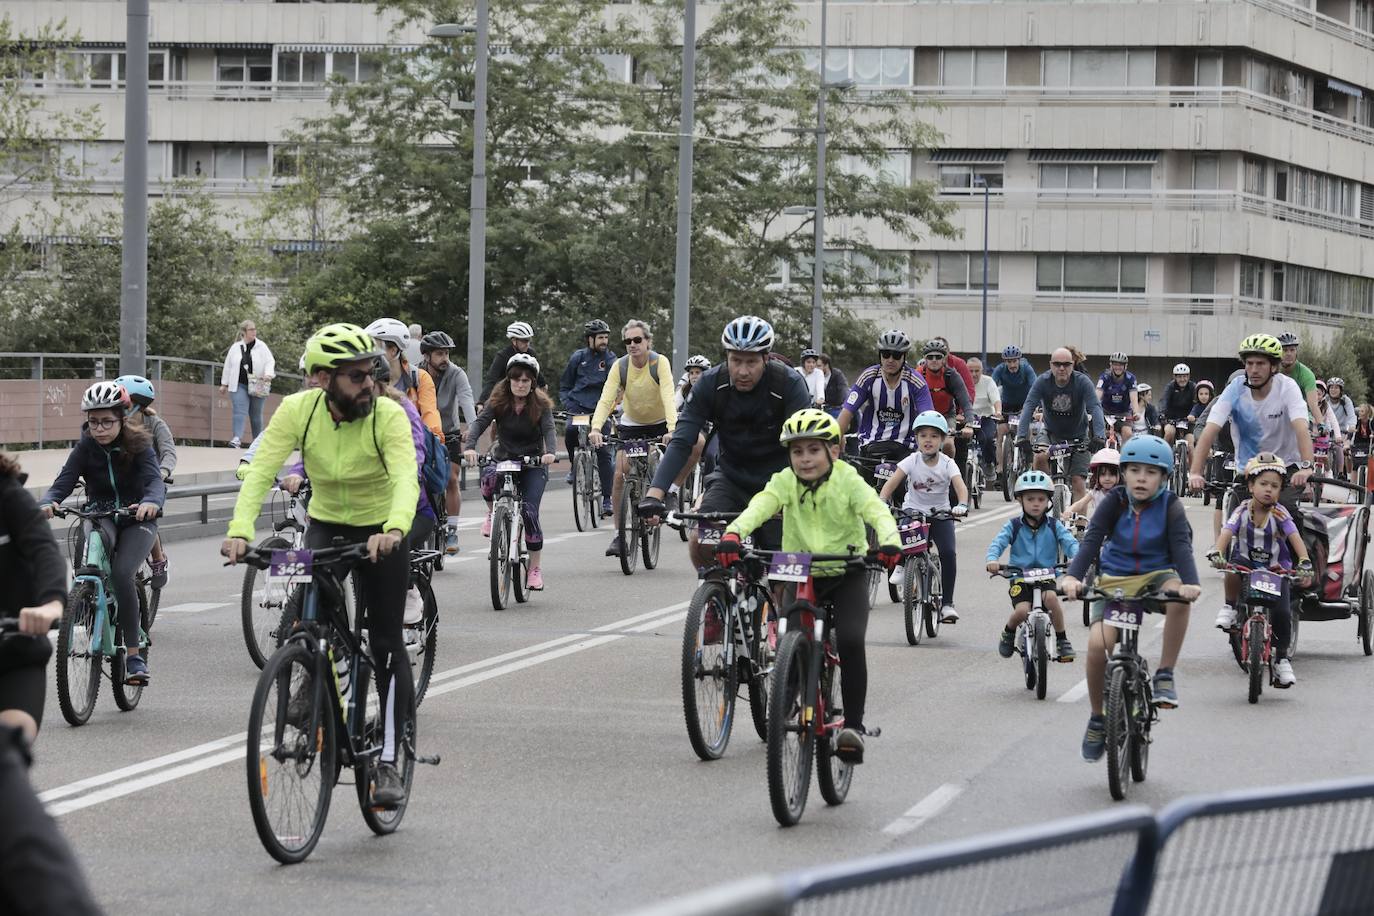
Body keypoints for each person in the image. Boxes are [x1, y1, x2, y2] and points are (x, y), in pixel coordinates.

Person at [223, 323, 419, 808]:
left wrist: (393, 530)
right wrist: (240, 531)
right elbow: (263, 468)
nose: (368, 384)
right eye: (355, 377)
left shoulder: (387, 416)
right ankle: (309, 670)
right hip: (327, 522)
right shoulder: (298, 410)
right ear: (319, 380)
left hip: (381, 530)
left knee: (387, 639)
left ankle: (391, 758)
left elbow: (405, 479)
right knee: (301, 611)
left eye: (370, 373)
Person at [718, 409, 902, 764]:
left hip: (846, 570)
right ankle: (787, 692)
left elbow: (876, 510)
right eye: (797, 451)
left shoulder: (848, 479)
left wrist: (890, 542)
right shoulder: (784, 480)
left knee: (849, 640)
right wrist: (734, 532)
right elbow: (761, 505)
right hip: (799, 571)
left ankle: (853, 726)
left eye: (813, 450)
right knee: (788, 635)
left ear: (833, 451)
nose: (804, 459)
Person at [1060, 435, 1200, 761]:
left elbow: (1181, 547)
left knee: (1179, 599)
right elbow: (1092, 539)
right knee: (1097, 646)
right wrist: (1072, 577)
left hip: (1156, 575)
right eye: (1134, 470)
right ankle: (1097, 718)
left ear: (1165, 477)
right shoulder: (1115, 501)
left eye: (1150, 472)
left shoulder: (1171, 506)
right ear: (1123, 473)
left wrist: (1189, 584)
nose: (1141, 478)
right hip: (1115, 580)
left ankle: (1165, 673)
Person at [638, 316, 811, 572]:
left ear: (766, 358)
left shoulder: (788, 384)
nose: (742, 371)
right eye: (736, 360)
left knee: (785, 570)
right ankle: (716, 598)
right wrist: (655, 494)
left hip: (781, 483)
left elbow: (806, 446)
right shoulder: (711, 383)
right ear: (726, 356)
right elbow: (682, 440)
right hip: (731, 481)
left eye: (751, 362)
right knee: (702, 543)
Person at [39, 382, 165, 686]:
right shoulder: (85, 447)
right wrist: (49, 501)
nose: (99, 429)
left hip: (137, 517)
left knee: (122, 574)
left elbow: (154, 481)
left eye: (106, 421)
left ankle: (134, 657)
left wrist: (150, 502)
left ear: (123, 417)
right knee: (87, 563)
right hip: (101, 512)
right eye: (93, 422)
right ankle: (87, 603)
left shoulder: (140, 444)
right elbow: (64, 481)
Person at [1187, 333, 1314, 563]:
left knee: (1285, 509)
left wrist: (1306, 467)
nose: (1253, 370)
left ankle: (1301, 569)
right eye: (1249, 363)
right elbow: (1209, 431)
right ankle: (1233, 590)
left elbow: (1301, 428)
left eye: (1261, 364)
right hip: (1249, 470)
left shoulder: (1288, 387)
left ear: (1274, 366)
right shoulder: (1236, 389)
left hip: (1287, 467)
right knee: (1239, 516)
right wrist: (1195, 472)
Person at [1208, 453, 1313, 688]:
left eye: (1275, 486)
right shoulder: (1242, 511)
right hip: (1246, 565)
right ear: (1250, 485)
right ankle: (1229, 607)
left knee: (1283, 614)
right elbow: (1227, 532)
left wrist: (1304, 560)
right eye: (1263, 484)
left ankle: (1282, 660)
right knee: (1231, 569)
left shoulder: (1280, 513)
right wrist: (1218, 552)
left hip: (1276, 569)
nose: (1269, 490)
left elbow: (1294, 536)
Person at [464, 354, 557, 590]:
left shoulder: (541, 405)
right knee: (487, 478)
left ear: (533, 382)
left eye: (526, 380)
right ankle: (491, 513)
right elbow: (479, 424)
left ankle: (534, 569)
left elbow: (549, 430)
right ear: (509, 380)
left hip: (532, 463)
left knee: (529, 512)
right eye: (516, 379)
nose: (521, 384)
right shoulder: (498, 401)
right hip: (505, 457)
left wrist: (551, 453)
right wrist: (470, 448)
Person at [590, 321, 678, 558]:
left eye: (637, 340)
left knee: (657, 461)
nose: (632, 345)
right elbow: (606, 398)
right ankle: (620, 535)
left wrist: (672, 428)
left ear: (648, 341)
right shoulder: (621, 366)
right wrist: (596, 427)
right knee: (620, 474)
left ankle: (666, 493)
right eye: (628, 341)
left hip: (659, 423)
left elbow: (669, 395)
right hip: (632, 424)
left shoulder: (659, 363)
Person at [878, 411, 969, 623]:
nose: (928, 440)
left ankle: (947, 604)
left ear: (942, 440)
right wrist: (882, 500)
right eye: (923, 435)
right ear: (916, 438)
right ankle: (901, 565)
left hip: (941, 514)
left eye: (934, 436)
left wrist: (962, 504)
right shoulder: (911, 460)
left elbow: (960, 487)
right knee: (902, 533)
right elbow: (891, 483)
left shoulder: (947, 463)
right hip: (914, 511)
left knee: (947, 552)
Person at [986, 470, 1078, 663]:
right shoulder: (1014, 526)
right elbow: (998, 542)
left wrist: (1077, 558)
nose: (1036, 503)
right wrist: (992, 559)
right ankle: (1008, 632)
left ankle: (1062, 639)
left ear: (1048, 501)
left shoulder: (1054, 525)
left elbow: (1070, 542)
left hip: (1046, 574)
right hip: (1020, 576)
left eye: (1041, 499)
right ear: (1020, 500)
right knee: (1021, 610)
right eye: (1030, 499)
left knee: (1052, 599)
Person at [837, 329, 935, 482]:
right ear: (880, 355)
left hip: (904, 446)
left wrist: (927, 447)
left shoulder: (915, 381)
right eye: (885, 354)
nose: (890, 360)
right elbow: (847, 412)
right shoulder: (868, 376)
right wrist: (835, 439)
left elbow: (927, 418)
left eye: (896, 356)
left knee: (908, 496)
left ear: (904, 357)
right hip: (871, 444)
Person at [1016, 347, 1106, 502]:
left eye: (1066, 364)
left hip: (1078, 436)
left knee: (1078, 482)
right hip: (1051, 434)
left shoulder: (1083, 382)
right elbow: (1029, 406)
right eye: (1057, 364)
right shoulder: (1042, 382)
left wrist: (1099, 435)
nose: (1062, 368)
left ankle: (1080, 524)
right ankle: (1047, 493)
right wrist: (1022, 436)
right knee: (1039, 457)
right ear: (1051, 365)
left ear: (1073, 365)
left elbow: (1095, 407)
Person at [420, 330, 477, 554]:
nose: (445, 359)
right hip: (422, 434)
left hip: (450, 433)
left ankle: (452, 530)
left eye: (447, 354)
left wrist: (472, 426)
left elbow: (466, 398)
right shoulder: (415, 373)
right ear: (427, 356)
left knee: (452, 478)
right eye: (440, 354)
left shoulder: (456, 374)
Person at [558, 319, 617, 516]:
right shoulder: (578, 357)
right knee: (571, 430)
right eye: (600, 337)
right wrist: (568, 404)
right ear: (590, 339)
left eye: (606, 337)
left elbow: (617, 387)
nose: (604, 341)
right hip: (578, 408)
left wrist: (611, 408)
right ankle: (575, 466)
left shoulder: (611, 360)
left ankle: (607, 499)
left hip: (601, 411)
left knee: (604, 453)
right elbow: (565, 385)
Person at [366, 318, 443, 439]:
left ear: (393, 350)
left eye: (375, 347)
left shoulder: (419, 378)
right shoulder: (366, 380)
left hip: (411, 449)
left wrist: (434, 439)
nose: (369, 352)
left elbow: (430, 417)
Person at [917, 339, 973, 470]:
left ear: (944, 359)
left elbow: (965, 400)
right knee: (916, 447)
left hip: (946, 416)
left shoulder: (951, 375)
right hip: (923, 417)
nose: (934, 360)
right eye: (930, 357)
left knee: (948, 444)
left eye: (938, 357)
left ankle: (947, 472)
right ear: (925, 359)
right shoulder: (918, 374)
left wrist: (969, 423)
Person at [219, 318, 275, 448]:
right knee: (239, 411)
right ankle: (237, 438)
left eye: (255, 329)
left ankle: (257, 442)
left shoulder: (262, 346)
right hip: (239, 384)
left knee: (256, 415)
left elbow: (270, 361)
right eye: (251, 329)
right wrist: (224, 384)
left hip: (258, 383)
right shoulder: (235, 347)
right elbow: (228, 365)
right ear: (244, 332)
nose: (254, 332)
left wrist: (268, 374)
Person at [991, 345, 1036, 483]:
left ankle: (1028, 458)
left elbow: (1035, 388)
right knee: (1001, 432)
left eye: (1014, 361)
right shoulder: (1000, 370)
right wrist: (993, 408)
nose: (1012, 364)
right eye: (1009, 361)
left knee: (1024, 430)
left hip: (1024, 404)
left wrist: (1033, 407)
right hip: (1006, 404)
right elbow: (991, 388)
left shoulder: (1026, 369)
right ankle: (1000, 469)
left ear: (1019, 360)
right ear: (1005, 362)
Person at [479, 321, 547, 405]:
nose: (527, 344)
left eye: (529, 340)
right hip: (505, 397)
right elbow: (491, 380)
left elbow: (538, 375)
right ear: (514, 341)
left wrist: (543, 388)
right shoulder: (502, 356)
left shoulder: (530, 354)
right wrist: (481, 402)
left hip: (525, 397)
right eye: (524, 341)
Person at [966, 356, 1001, 473]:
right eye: (970, 371)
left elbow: (996, 399)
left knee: (988, 439)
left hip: (986, 417)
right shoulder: (961, 381)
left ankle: (989, 462)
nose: (974, 374)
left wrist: (998, 412)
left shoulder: (988, 381)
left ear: (982, 371)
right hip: (967, 418)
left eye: (977, 371)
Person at [1277, 331, 1322, 421]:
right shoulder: (1272, 370)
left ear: (1296, 352)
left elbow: (1313, 405)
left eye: (1292, 350)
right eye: (1285, 350)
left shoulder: (1307, 374)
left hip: (1299, 414)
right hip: (1275, 413)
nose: (1289, 353)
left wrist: (1321, 424)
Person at [1066, 447, 1120, 520]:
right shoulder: (1096, 492)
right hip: (1099, 526)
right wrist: (1069, 510)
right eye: (1103, 474)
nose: (1107, 478)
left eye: (1111, 475)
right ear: (1097, 476)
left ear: (1119, 475)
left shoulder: (1121, 492)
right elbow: (1080, 503)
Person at [1095, 352, 1140, 429]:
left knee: (1127, 432)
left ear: (1125, 366)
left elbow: (1134, 398)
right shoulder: (1104, 377)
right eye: (1115, 364)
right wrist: (1092, 409)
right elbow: (1097, 395)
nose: (1118, 367)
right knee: (1100, 433)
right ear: (1111, 365)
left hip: (1124, 412)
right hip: (1106, 411)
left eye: (1121, 365)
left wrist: (1136, 412)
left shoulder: (1130, 379)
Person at [1160, 364, 1196, 446]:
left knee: (1191, 442)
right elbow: (1164, 401)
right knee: (1169, 433)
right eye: (1179, 377)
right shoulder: (1170, 387)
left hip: (1188, 421)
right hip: (1172, 420)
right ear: (1174, 377)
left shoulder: (1193, 387)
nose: (1182, 379)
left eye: (1185, 376)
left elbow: (1196, 403)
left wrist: (1193, 414)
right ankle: (1165, 455)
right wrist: (1162, 414)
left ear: (1189, 376)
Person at [1185, 380, 1214, 451]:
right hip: (1197, 431)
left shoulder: (1214, 406)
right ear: (1197, 395)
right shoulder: (1197, 406)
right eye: (1201, 394)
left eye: (1206, 394)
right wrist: (1191, 417)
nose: (1203, 396)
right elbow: (1192, 414)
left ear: (1210, 395)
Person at [819, 353, 849, 418]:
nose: (817, 369)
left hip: (835, 407)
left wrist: (844, 404)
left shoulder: (837, 375)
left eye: (819, 366)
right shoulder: (815, 376)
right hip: (819, 409)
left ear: (826, 365)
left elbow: (843, 389)